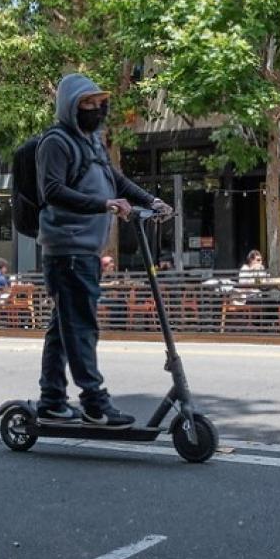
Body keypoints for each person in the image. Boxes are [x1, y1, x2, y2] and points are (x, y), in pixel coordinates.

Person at [35, 73, 173, 427]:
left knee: (64, 326)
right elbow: (52, 190)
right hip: (67, 250)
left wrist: (151, 200)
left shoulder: (93, 142)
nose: (97, 110)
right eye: (88, 104)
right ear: (70, 106)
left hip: (85, 251)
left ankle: (51, 399)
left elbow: (117, 180)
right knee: (81, 327)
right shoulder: (57, 142)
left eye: (100, 104)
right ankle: (94, 402)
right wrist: (104, 205)